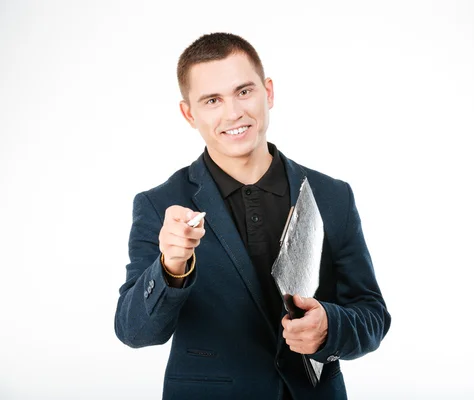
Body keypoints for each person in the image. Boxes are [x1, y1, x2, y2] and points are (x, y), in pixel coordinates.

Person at [114, 32, 391, 400]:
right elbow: (135, 332)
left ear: (269, 93)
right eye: (212, 100)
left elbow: (372, 315)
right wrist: (171, 267)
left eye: (244, 92)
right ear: (189, 113)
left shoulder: (333, 195)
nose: (233, 113)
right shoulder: (160, 203)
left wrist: (330, 327)